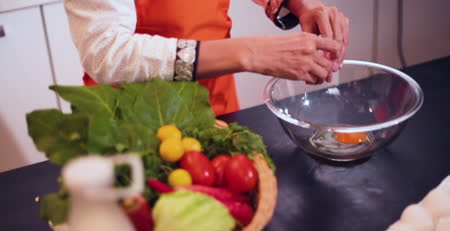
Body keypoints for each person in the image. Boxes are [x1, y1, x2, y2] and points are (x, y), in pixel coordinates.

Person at [64, 0, 349, 116]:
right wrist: (249, 52)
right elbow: (107, 53)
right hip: (130, 121)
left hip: (215, 108)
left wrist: (299, 4)